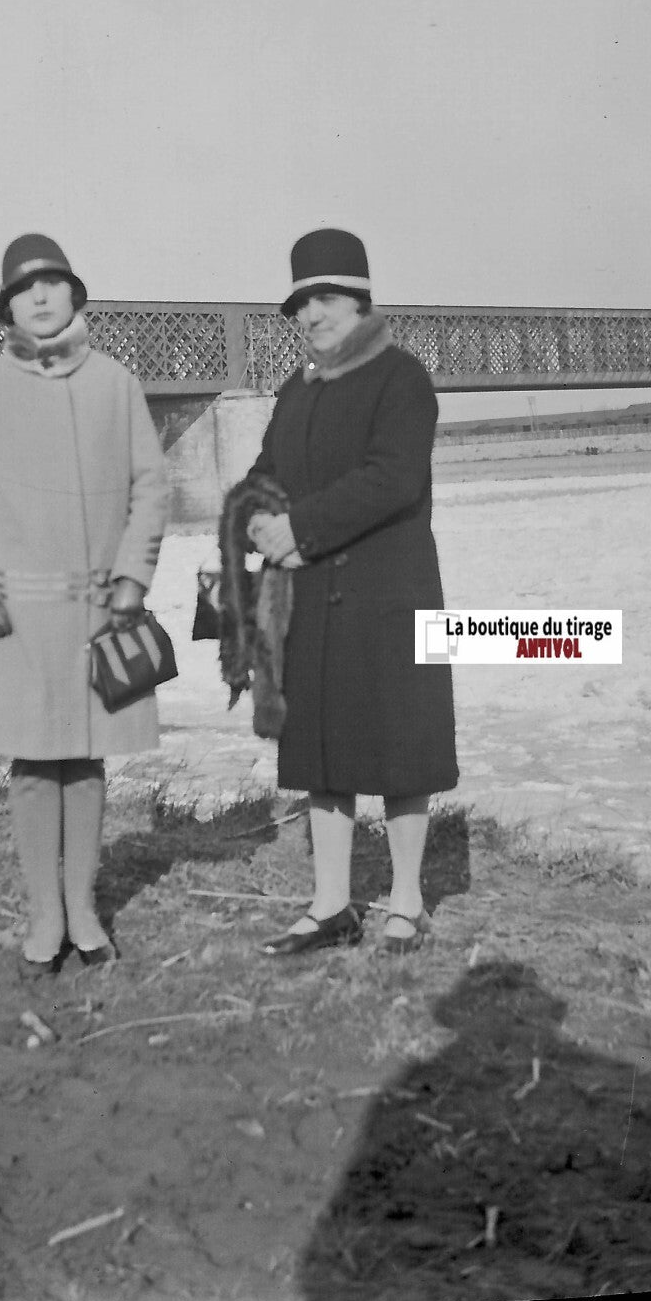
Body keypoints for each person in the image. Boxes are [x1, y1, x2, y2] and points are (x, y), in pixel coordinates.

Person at [0, 233, 170, 975]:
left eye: (53, 285)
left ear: (75, 296)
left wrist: (132, 579)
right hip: (16, 619)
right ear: (7, 308)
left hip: (102, 612)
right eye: (23, 290)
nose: (39, 299)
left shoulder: (117, 384)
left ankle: (84, 908)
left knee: (87, 762)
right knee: (35, 767)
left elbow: (151, 487)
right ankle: (43, 915)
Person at [244, 228, 459, 957]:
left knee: (403, 750)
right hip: (310, 600)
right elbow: (260, 475)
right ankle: (331, 904)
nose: (311, 315)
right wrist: (258, 520)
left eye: (325, 299)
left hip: (387, 595)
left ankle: (407, 901)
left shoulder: (403, 377)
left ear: (362, 302)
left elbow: (392, 478)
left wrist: (297, 526)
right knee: (321, 755)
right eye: (300, 304)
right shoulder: (296, 391)